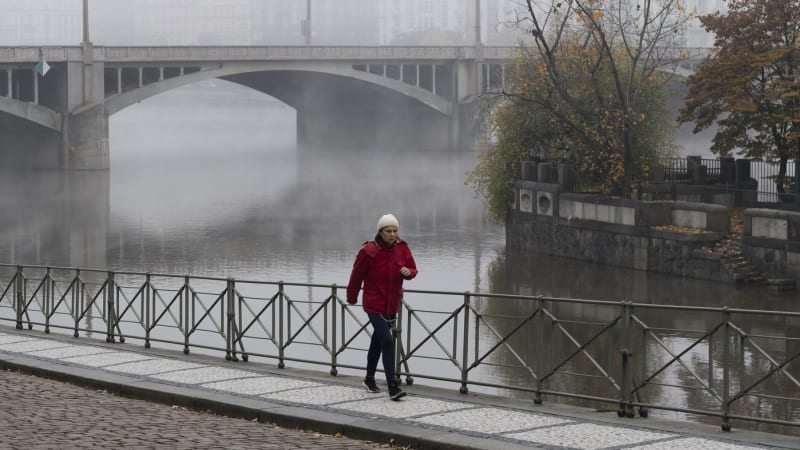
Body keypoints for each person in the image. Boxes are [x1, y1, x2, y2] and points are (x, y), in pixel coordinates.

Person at [347, 213, 417, 400]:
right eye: (388, 231)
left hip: (392, 304)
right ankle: (393, 387)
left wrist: (407, 273)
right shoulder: (368, 251)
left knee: (377, 341)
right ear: (380, 231)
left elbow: (413, 268)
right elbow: (356, 276)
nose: (393, 234)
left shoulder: (402, 248)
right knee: (387, 341)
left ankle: (369, 379)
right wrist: (351, 297)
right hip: (374, 304)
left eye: (395, 230)